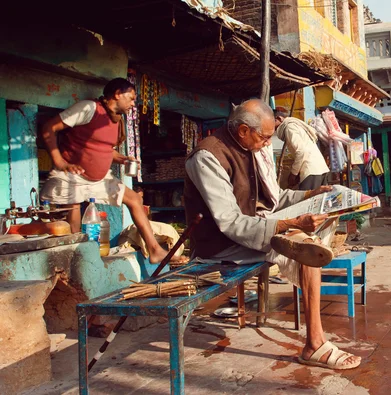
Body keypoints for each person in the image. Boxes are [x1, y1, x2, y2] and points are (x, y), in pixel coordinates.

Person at [184, 99, 361, 370]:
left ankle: (316, 341)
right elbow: (230, 223)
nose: (268, 142)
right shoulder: (208, 157)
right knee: (307, 250)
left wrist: (311, 194)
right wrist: (288, 224)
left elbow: (275, 198)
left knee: (308, 240)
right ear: (244, 130)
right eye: (265, 136)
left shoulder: (251, 147)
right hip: (220, 243)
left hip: (255, 228)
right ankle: (315, 344)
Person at [40, 78, 168, 263]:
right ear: (117, 94)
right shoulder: (88, 108)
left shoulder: (116, 120)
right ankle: (76, 262)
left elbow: (103, 149)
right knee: (73, 218)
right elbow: (48, 128)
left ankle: (154, 249)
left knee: (134, 199)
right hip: (72, 177)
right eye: (131, 98)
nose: (134, 104)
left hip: (99, 180)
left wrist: (122, 159)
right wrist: (59, 162)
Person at [274, 107, 329, 190]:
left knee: (308, 201)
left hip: (311, 171)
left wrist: (293, 174)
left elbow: (301, 152)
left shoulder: (289, 127)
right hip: (320, 169)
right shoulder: (295, 125)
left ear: (279, 118)